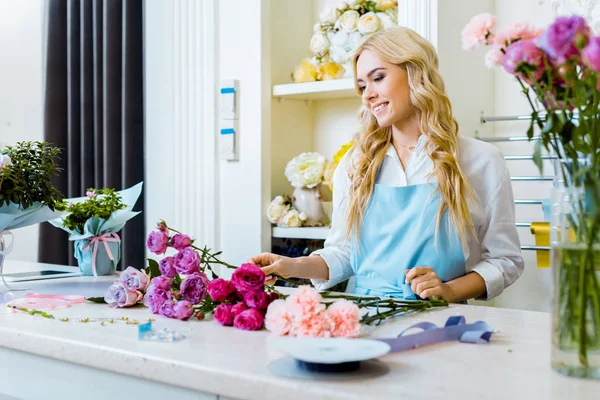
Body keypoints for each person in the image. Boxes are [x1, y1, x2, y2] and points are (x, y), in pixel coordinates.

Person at [250, 26, 524, 303]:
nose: (368, 94)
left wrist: (449, 291)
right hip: (366, 319)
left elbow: (505, 260)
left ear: (415, 72)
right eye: (362, 86)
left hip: (444, 322)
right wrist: (289, 266)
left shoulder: (481, 160)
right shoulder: (356, 163)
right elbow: (344, 253)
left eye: (377, 78)